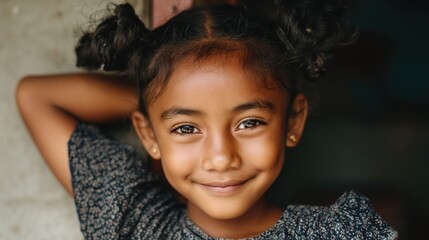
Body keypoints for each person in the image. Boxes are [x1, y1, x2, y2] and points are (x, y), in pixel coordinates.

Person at [16, 1, 398, 239]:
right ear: (148, 133)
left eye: (248, 122)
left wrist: (173, 106)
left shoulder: (340, 233)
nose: (220, 157)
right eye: (185, 128)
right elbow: (37, 97)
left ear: (293, 121)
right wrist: (158, 98)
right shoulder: (136, 225)